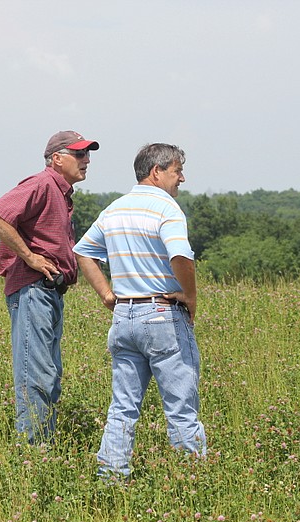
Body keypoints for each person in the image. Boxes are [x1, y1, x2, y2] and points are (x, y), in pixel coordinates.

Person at [73, 142, 206, 479]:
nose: (182, 179)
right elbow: (181, 256)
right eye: (177, 171)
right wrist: (189, 295)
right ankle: (192, 485)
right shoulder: (168, 209)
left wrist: (106, 293)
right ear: (156, 172)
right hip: (163, 314)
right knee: (181, 411)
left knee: (122, 409)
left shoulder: (114, 210)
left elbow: (83, 252)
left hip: (124, 318)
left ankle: (111, 482)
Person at [0, 130, 100, 445]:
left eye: (88, 154)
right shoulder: (42, 183)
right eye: (80, 154)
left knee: (48, 375)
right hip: (34, 289)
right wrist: (30, 257)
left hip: (48, 292)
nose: (87, 160)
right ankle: (33, 459)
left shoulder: (60, 192)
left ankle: (40, 450)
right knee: (35, 375)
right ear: (57, 158)